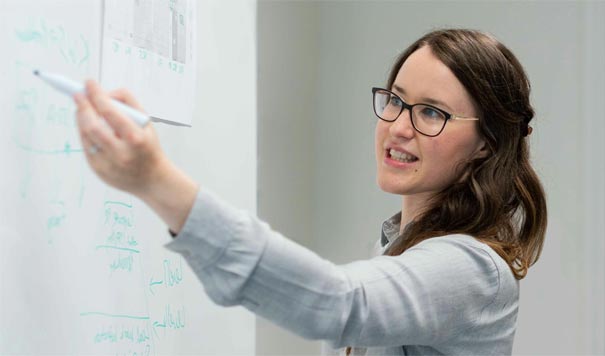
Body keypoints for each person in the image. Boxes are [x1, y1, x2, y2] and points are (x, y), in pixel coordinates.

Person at [72, 29, 546, 355]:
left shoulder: (473, 270)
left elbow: (340, 303)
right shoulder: (394, 245)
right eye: (396, 100)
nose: (398, 127)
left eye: (431, 113)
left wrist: (157, 181)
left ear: (486, 143)